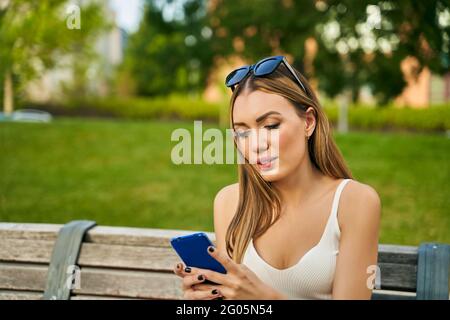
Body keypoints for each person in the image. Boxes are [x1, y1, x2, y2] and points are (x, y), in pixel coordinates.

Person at [174, 55, 381, 300]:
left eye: (271, 126)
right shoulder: (229, 203)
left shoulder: (354, 202)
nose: (256, 145)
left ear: (308, 122)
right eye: (242, 133)